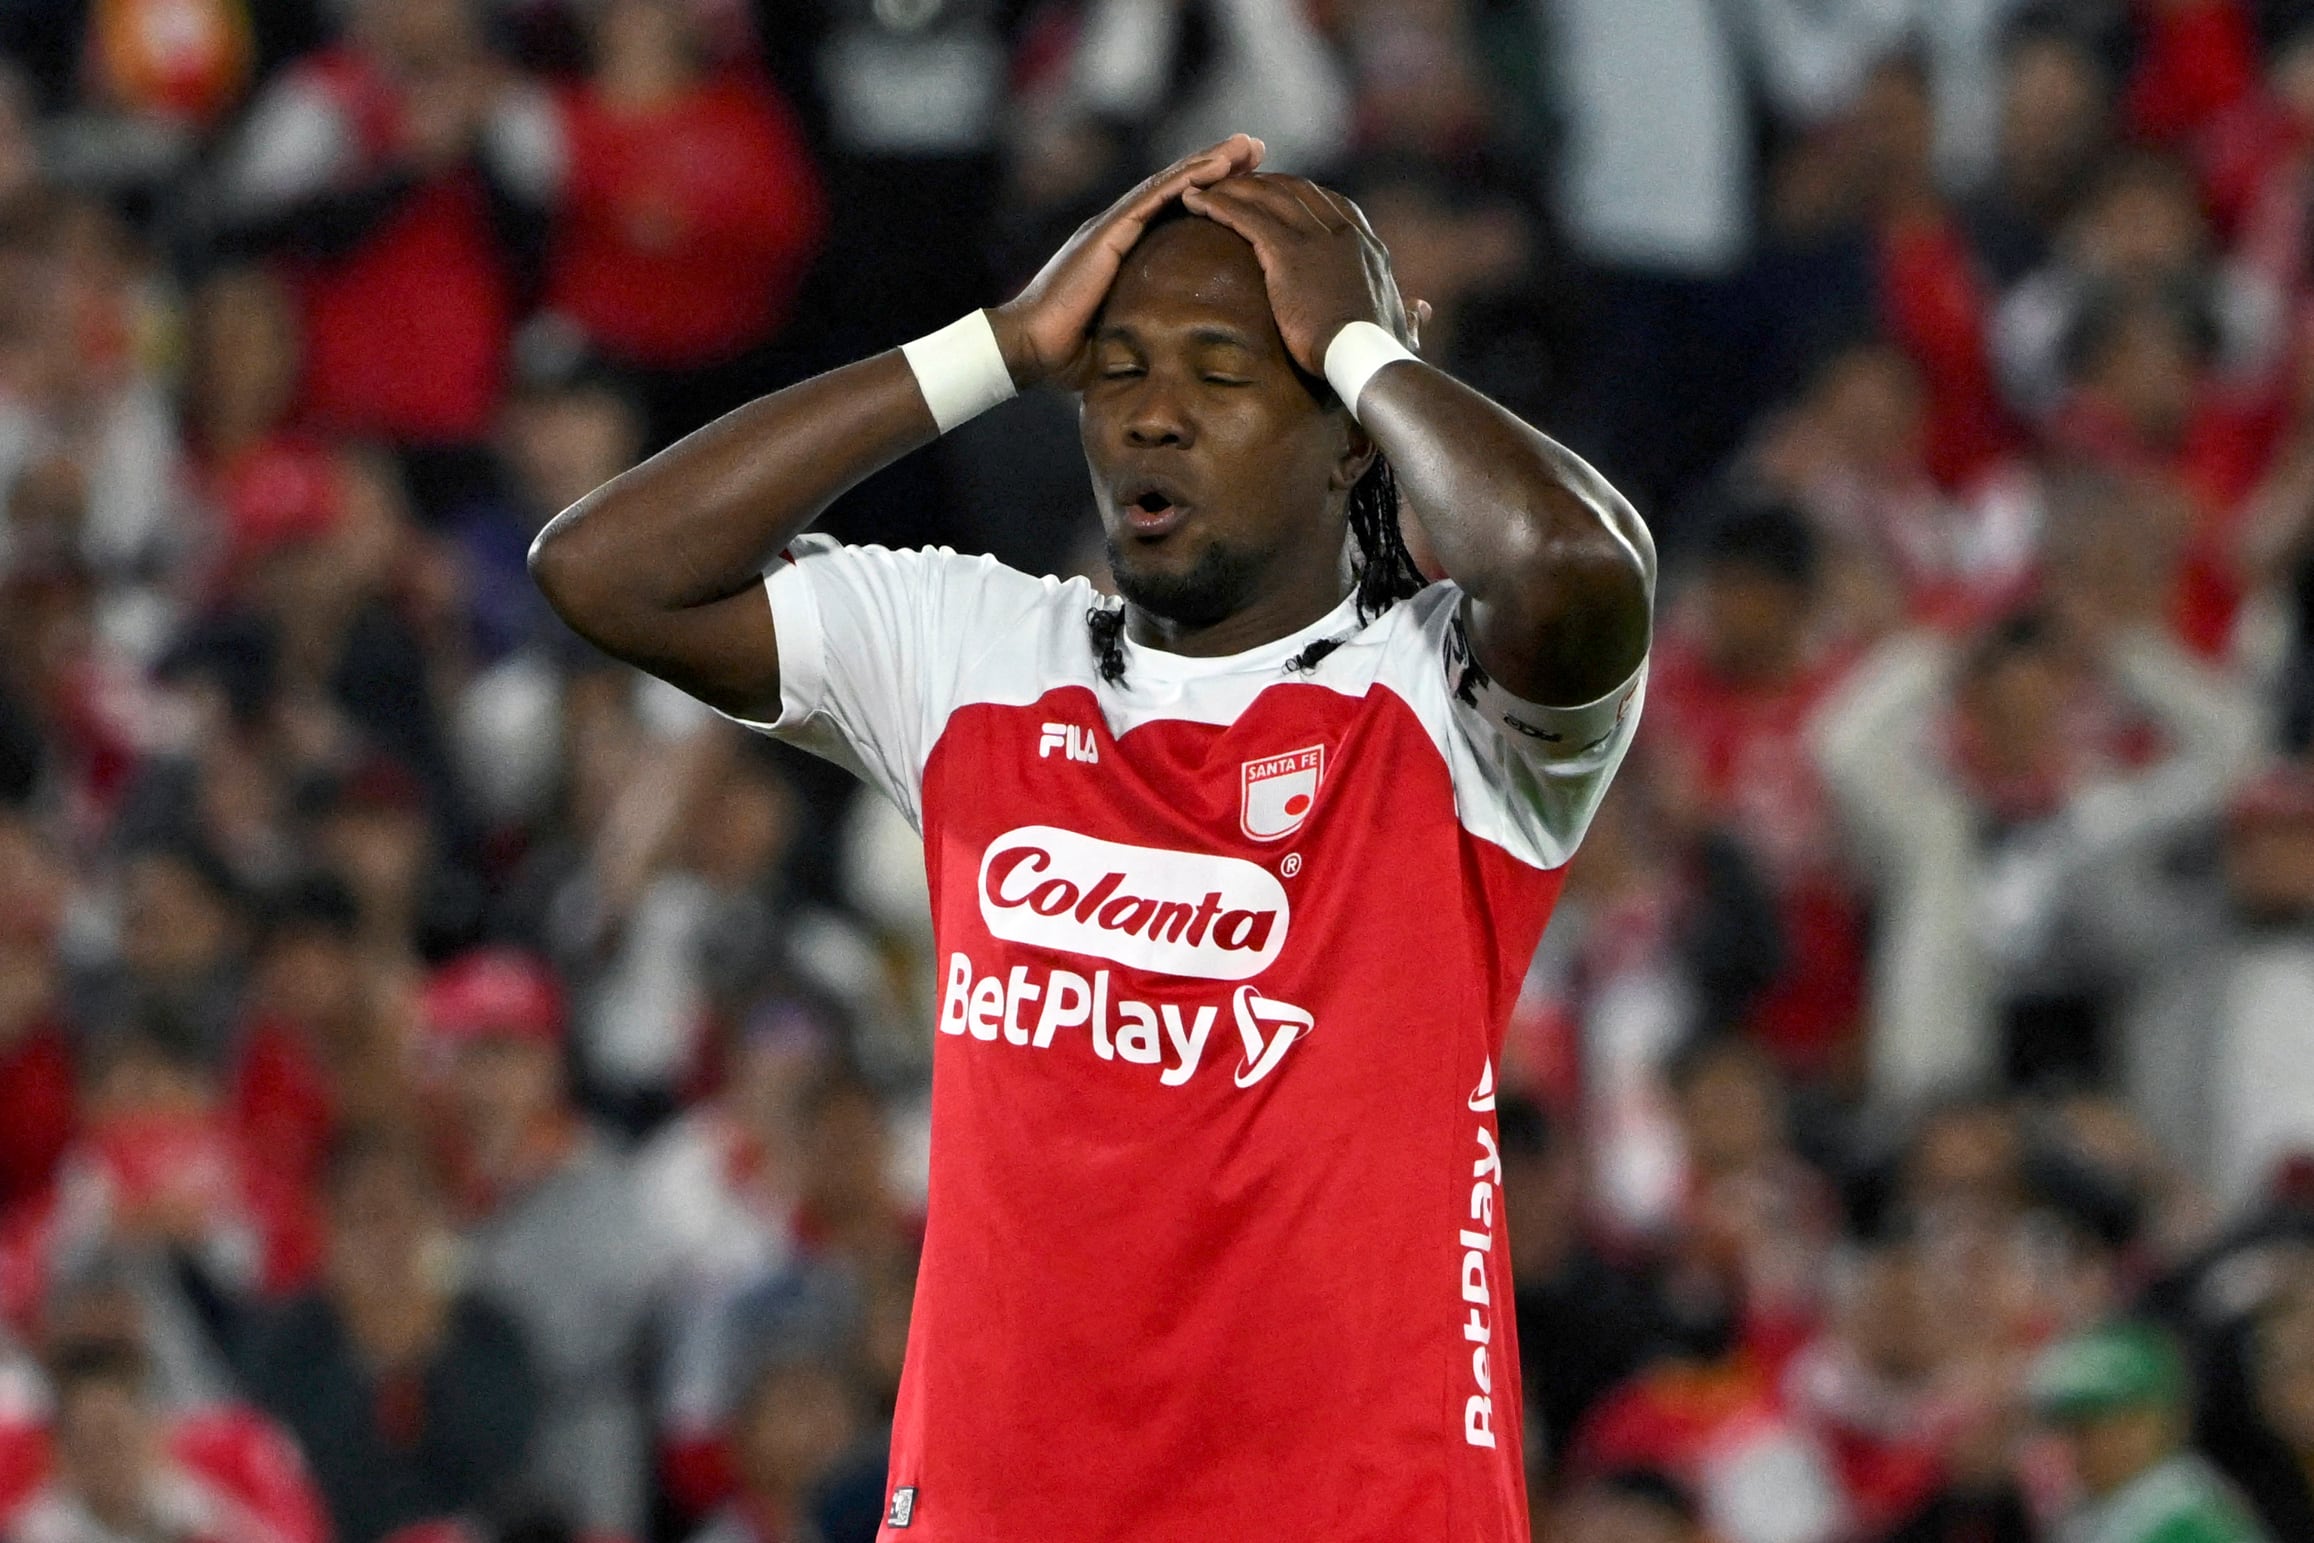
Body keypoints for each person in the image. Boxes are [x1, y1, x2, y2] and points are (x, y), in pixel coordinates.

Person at [530, 134, 1654, 1539]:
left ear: (1347, 425)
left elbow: (1571, 568)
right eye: (1115, 371)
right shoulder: (976, 649)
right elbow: (604, 566)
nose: (1153, 416)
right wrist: (995, 346)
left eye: (1224, 370)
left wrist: (1365, 345)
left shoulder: (1446, 702)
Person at [2030, 1319, 2271, 1543]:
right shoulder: (2102, 1506)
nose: (2074, 1445)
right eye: (2068, 1427)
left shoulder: (2183, 1519)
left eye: (2088, 1427)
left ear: (2149, 1422)